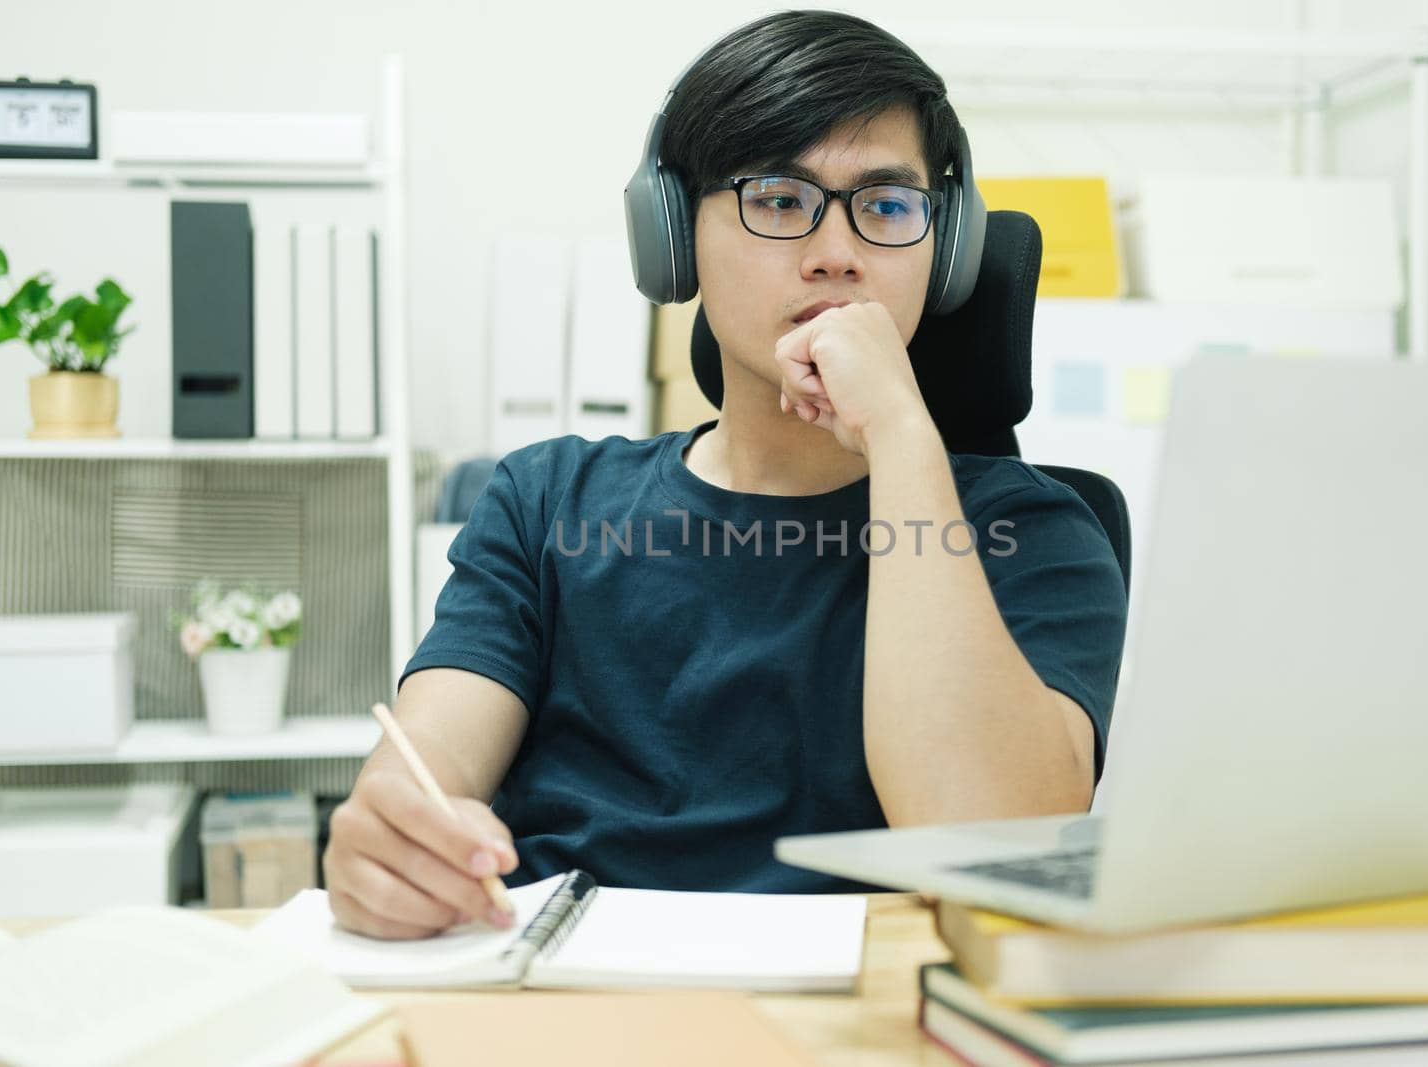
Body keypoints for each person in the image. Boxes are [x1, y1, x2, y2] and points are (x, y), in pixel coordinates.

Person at [323, 9, 1127, 941]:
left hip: (865, 1018)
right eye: (781, 200)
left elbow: (995, 849)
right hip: (566, 997)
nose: (837, 252)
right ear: (674, 237)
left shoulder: (1036, 530)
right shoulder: (547, 502)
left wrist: (903, 433)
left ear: (945, 252)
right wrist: (388, 842)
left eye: (888, 206)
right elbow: (422, 770)